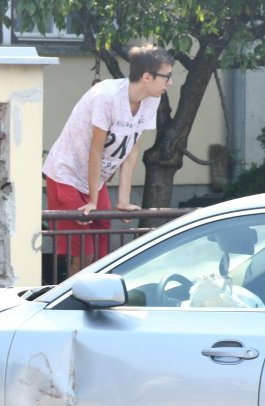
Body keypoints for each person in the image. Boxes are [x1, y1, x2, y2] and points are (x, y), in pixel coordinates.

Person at [43, 45, 175, 273]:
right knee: (84, 250)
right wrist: (93, 201)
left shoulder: (151, 99)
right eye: (167, 77)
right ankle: (72, 301)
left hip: (96, 178)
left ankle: (94, 297)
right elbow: (95, 149)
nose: (170, 83)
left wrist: (122, 200)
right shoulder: (107, 96)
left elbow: (132, 148)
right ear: (147, 77)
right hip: (67, 174)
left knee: (102, 246)